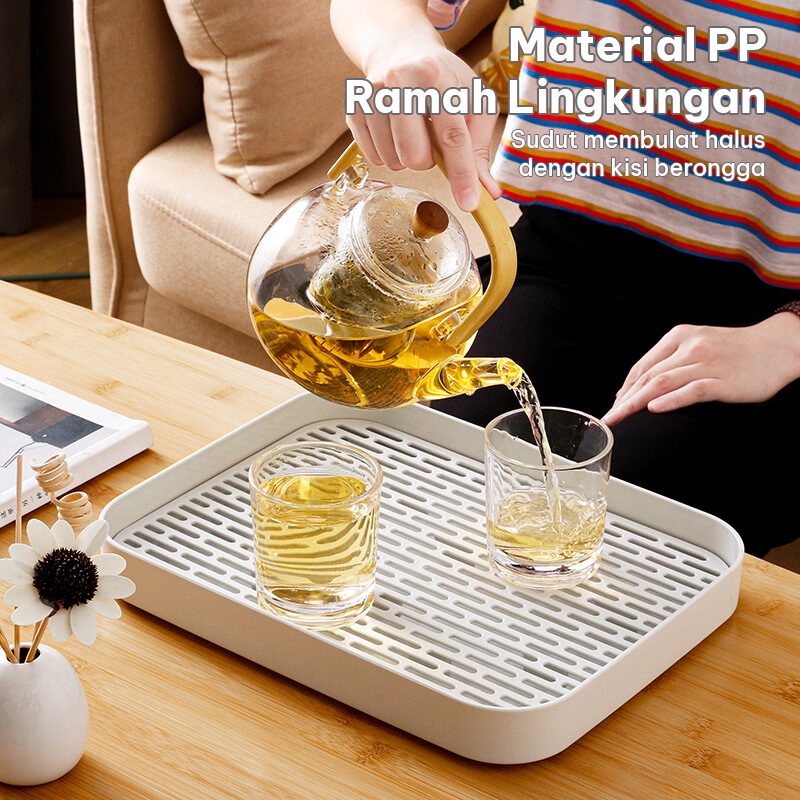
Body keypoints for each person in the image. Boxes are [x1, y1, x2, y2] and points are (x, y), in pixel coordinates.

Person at [329, 0, 800, 556]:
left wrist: (787, 339)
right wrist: (398, 46)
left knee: (642, 529)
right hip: (567, 252)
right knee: (459, 469)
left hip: (774, 317)